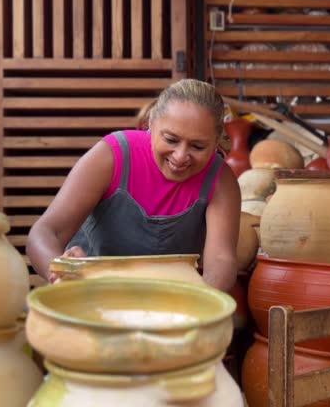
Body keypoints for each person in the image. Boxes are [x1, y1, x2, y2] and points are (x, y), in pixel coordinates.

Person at [26, 79, 240, 291]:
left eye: (198, 146)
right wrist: (61, 271)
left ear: (215, 141)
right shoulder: (112, 156)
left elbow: (220, 259)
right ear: (151, 123)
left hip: (170, 306)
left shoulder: (220, 180)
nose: (181, 156)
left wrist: (207, 302)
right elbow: (45, 232)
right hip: (89, 298)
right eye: (171, 140)